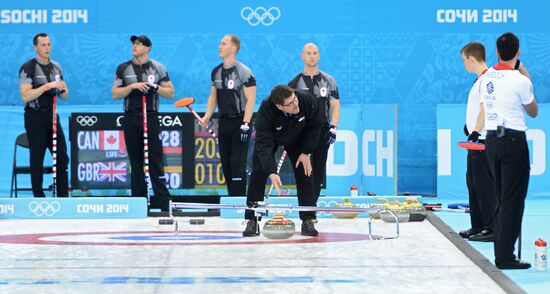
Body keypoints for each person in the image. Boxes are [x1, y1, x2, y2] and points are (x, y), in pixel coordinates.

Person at [475, 32, 538, 269]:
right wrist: (527, 76)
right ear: (518, 53)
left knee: (500, 198)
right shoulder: (521, 80)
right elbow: (533, 111)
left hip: (492, 140)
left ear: (497, 52)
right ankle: (504, 256)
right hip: (512, 140)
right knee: (513, 200)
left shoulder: (487, 77)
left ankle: (501, 251)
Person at [242, 85, 323, 237]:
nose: (295, 104)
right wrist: (272, 172)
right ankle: (253, 219)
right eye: (290, 104)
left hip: (298, 137)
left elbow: (316, 125)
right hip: (272, 138)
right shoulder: (266, 112)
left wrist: (306, 151)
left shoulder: (306, 100)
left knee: (304, 172)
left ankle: (308, 219)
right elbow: (264, 145)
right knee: (258, 173)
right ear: (279, 106)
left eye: (295, 99)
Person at [111, 35, 175, 211]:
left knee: (155, 160)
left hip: (151, 116)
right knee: (136, 161)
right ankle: (138, 202)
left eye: (139, 44)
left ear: (147, 48)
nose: (135, 46)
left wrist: (156, 88)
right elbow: (115, 93)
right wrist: (132, 87)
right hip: (131, 117)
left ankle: (163, 202)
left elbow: (170, 92)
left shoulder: (157, 67)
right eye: (134, 43)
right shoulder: (124, 68)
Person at [200, 35, 256, 196]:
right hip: (223, 121)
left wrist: (246, 124)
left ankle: (239, 201)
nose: (219, 46)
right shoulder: (216, 72)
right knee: (226, 163)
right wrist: (207, 116)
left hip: (240, 121)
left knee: (237, 162)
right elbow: (213, 97)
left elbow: (251, 99)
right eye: (219, 43)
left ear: (233, 48)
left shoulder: (244, 72)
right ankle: (232, 199)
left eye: (223, 43)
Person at [288, 43, 340, 213]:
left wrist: (333, 127)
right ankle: (306, 208)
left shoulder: (329, 80)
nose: (311, 56)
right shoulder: (294, 83)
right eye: (308, 53)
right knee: (304, 172)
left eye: (315, 53)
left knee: (317, 170)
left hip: (322, 131)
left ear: (319, 56)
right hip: (302, 133)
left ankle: (311, 208)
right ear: (302, 56)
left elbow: (335, 105)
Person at [18, 33, 70, 197]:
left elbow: (65, 96)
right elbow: (26, 96)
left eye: (48, 44)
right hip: (35, 116)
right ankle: (38, 197)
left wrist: (61, 89)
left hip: (52, 116)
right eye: (43, 45)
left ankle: (62, 196)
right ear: (35, 47)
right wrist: (46, 87)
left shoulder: (56, 67)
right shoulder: (27, 67)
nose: (47, 48)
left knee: (62, 157)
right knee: (37, 158)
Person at [458, 42, 496, 242]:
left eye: (464, 60)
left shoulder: (488, 80)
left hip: (482, 141)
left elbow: (485, 109)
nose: (464, 64)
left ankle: (491, 228)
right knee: (473, 184)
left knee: (484, 186)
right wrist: (469, 127)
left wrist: (475, 131)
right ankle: (478, 226)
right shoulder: (479, 80)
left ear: (471, 59)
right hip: (475, 140)